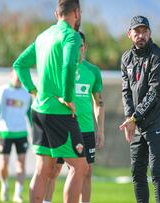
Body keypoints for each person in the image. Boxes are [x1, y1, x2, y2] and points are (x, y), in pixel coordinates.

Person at [12, 1, 88, 203]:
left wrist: (33, 91)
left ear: (56, 13)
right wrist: (68, 98)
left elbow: (19, 64)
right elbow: (68, 68)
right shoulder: (71, 36)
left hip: (39, 110)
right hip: (59, 112)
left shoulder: (43, 36)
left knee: (42, 169)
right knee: (79, 167)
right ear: (77, 13)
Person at [43, 31, 105, 203]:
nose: (76, 49)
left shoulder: (93, 71)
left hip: (85, 129)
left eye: (79, 45)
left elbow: (99, 102)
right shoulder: (58, 68)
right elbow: (47, 95)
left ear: (84, 47)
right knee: (53, 169)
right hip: (62, 127)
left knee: (86, 171)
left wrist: (100, 130)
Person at [119, 15, 160, 203]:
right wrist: (129, 117)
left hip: (157, 121)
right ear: (129, 34)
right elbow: (126, 90)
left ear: (150, 33)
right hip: (137, 124)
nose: (141, 35)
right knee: (137, 172)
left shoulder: (159, 56)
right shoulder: (126, 58)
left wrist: (135, 116)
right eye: (137, 31)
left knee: (156, 171)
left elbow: (154, 91)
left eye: (144, 31)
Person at [0, 69, 32, 203]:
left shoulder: (26, 94)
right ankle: (4, 185)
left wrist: (35, 129)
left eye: (21, 76)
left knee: (21, 163)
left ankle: (18, 193)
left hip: (21, 132)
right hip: (5, 132)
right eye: (16, 75)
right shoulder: (3, 91)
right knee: (4, 163)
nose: (18, 78)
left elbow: (29, 114)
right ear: (11, 75)